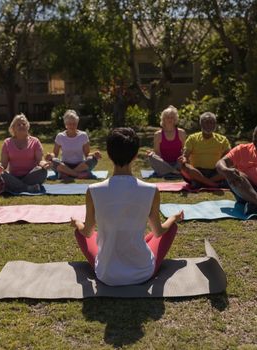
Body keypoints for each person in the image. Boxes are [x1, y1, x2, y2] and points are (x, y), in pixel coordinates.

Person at [71, 127, 184, 286]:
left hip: (106, 274)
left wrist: (76, 222)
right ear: (136, 155)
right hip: (142, 272)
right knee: (170, 228)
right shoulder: (151, 190)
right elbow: (159, 231)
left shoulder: (93, 190)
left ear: (109, 155)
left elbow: (87, 231)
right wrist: (173, 218)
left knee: (80, 232)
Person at [178, 112, 231, 188]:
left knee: (231, 167)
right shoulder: (192, 138)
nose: (209, 125)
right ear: (201, 124)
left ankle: (201, 182)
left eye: (211, 122)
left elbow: (229, 157)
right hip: (197, 171)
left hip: (215, 172)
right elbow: (185, 156)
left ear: (215, 125)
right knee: (184, 167)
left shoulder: (223, 140)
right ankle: (214, 184)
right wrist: (183, 159)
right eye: (206, 122)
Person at [0, 114, 50, 193]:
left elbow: (40, 160)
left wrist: (44, 164)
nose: (21, 126)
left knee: (42, 171)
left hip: (31, 176)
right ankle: (27, 188)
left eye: (24, 124)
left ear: (27, 127)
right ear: (13, 128)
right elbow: (4, 164)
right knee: (0, 173)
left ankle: (16, 186)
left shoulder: (35, 141)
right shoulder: (7, 142)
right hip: (14, 177)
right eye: (18, 124)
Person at [45, 109, 101, 179]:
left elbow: (87, 154)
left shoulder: (83, 135)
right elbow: (55, 154)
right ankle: (78, 174)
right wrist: (50, 155)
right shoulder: (60, 136)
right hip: (64, 165)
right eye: (69, 124)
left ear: (77, 123)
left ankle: (67, 174)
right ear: (66, 125)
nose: (72, 126)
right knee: (52, 161)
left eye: (74, 124)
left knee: (93, 159)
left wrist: (94, 154)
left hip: (80, 165)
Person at [147, 105, 187, 177]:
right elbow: (157, 153)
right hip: (163, 163)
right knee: (151, 156)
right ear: (163, 119)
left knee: (186, 157)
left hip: (177, 163)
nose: (170, 119)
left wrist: (183, 157)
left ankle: (170, 170)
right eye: (167, 117)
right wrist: (160, 161)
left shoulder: (181, 132)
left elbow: (185, 149)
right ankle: (173, 171)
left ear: (175, 119)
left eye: (172, 117)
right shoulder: (158, 134)